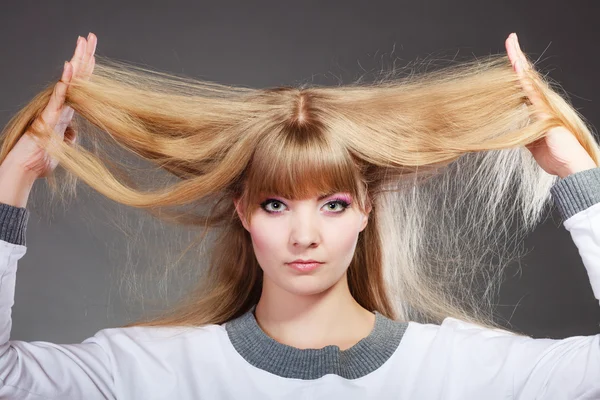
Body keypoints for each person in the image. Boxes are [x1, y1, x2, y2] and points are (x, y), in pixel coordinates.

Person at [0, 32, 598, 399]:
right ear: (243, 211)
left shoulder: (459, 371)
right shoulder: (155, 371)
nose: (304, 235)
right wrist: (14, 177)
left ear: (366, 210)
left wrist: (576, 170)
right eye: (275, 204)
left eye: (333, 204)